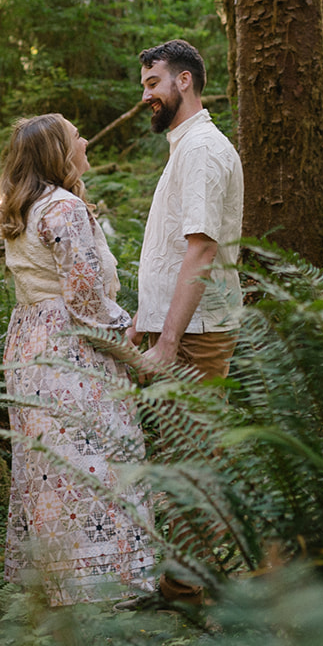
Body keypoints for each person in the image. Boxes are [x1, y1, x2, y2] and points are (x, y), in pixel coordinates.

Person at [0, 113, 156, 606]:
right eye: (75, 137)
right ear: (59, 155)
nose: (85, 140)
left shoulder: (20, 207)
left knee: (47, 470)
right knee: (93, 462)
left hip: (29, 345)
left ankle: (51, 586)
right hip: (69, 351)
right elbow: (84, 300)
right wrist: (135, 354)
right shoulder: (63, 208)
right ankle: (101, 590)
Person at [125, 39, 244, 608]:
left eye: (153, 83)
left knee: (192, 459)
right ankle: (181, 586)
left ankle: (190, 593)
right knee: (179, 457)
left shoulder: (200, 149)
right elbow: (175, 252)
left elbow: (200, 251)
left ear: (185, 83)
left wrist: (168, 340)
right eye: (144, 85)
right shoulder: (185, 147)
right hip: (182, 330)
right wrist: (145, 321)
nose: (146, 95)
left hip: (196, 336)